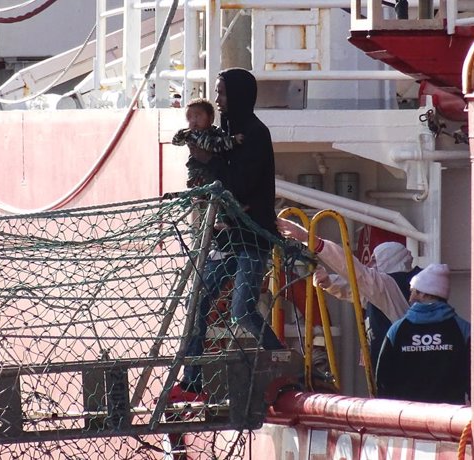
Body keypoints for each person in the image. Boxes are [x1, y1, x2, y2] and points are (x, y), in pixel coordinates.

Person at [169, 68, 284, 403]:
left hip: (252, 236)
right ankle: (192, 383)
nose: (217, 101)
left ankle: (280, 360)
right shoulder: (229, 131)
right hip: (229, 235)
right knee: (198, 302)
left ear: (238, 94)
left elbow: (239, 185)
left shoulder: (255, 133)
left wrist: (205, 159)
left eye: (221, 93)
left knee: (242, 311)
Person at [276, 218, 420, 370]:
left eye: (374, 260)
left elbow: (356, 272)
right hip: (392, 367)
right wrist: (329, 282)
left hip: (397, 369)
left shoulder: (388, 286)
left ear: (388, 261)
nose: (369, 265)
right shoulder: (390, 292)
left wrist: (309, 239)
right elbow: (353, 288)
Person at [375, 263, 470, 404]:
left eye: (413, 291)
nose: (410, 298)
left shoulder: (398, 329)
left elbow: (383, 379)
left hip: (407, 417)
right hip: (449, 418)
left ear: (424, 293)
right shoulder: (463, 329)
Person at [171, 98, 244, 188]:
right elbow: (212, 144)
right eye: (189, 117)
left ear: (211, 118)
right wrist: (233, 140)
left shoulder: (216, 131)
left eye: (197, 116)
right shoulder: (194, 135)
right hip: (199, 172)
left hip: (214, 171)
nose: (193, 120)